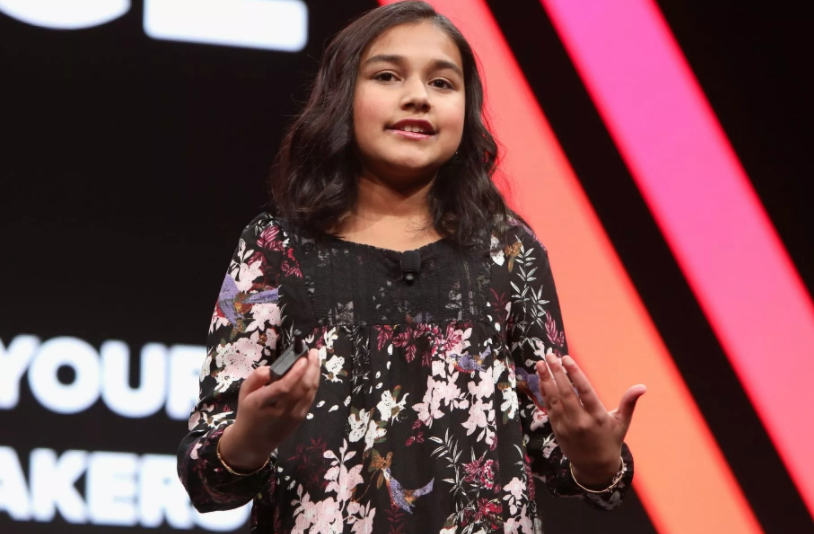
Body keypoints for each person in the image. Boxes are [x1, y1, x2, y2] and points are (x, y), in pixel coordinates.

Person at [177, 2, 646, 533]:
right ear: (341, 96)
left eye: (442, 83)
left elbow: (561, 447)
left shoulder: (508, 251)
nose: (419, 96)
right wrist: (249, 439)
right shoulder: (276, 248)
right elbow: (206, 478)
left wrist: (597, 458)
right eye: (387, 76)